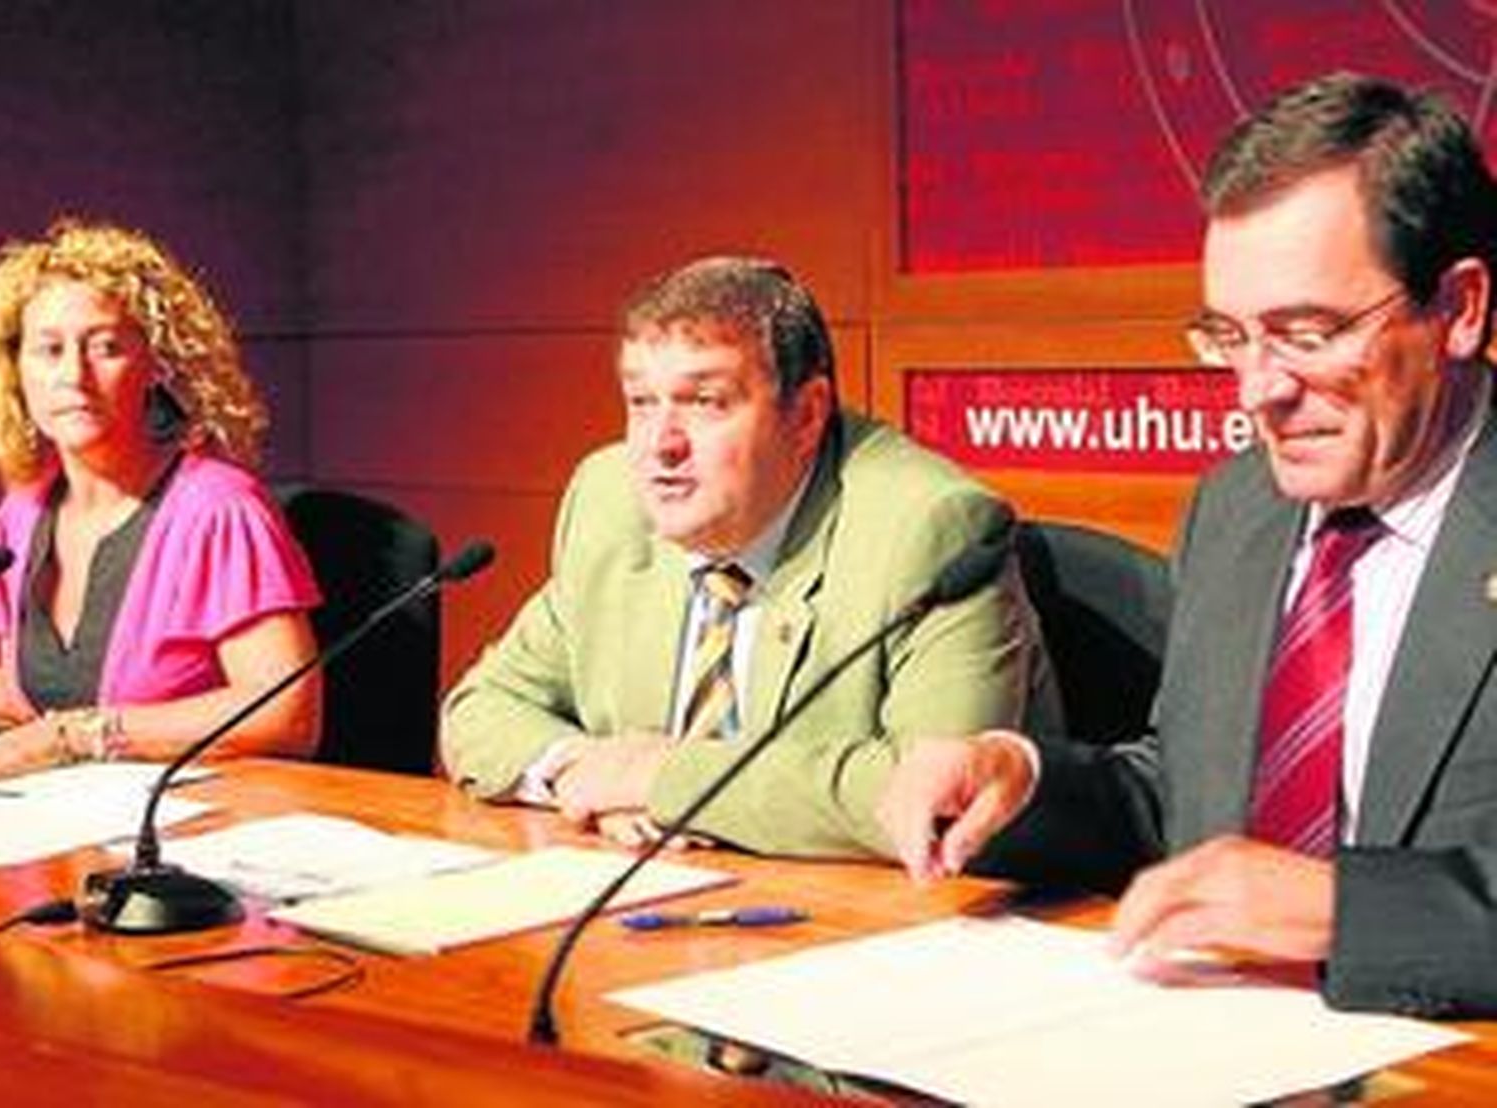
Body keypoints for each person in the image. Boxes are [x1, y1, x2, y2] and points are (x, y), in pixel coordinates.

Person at [878, 71, 1497, 1017]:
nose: (1257, 391)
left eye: (1305, 333)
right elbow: (1185, 800)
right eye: (1231, 337)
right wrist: (1022, 776)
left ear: (1457, 309)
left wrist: (1345, 913)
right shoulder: (1238, 506)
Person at [442, 255, 1057, 855]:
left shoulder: (928, 527)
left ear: (807, 414)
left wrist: (665, 780)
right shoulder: (610, 502)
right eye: (641, 402)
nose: (661, 445)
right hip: (646, 910)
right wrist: (581, 768)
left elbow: (939, 794)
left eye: (704, 402)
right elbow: (478, 711)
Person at [0, 218, 322, 783]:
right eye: (48, 350)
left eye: (106, 348)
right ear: (14, 370)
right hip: (64, 819)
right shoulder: (24, 511)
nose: (74, 375)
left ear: (154, 366)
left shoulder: (219, 509)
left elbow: (285, 715)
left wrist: (74, 735)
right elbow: (35, 690)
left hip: (192, 824)